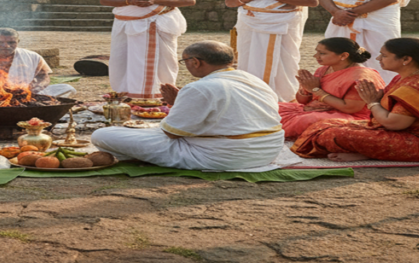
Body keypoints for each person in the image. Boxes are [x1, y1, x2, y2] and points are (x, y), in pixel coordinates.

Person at [91, 41, 284, 171]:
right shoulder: (254, 80)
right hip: (267, 151)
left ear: (195, 62)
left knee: (102, 135)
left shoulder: (200, 88)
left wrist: (176, 104)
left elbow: (171, 134)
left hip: (222, 156)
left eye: (185, 61)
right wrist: (178, 103)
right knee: (142, 134)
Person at [291, 38, 419, 162]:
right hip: (407, 130)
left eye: (385, 55)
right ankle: (368, 151)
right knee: (324, 125)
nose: (379, 58)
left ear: (406, 59)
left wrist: (372, 102)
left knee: (332, 135)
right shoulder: (408, 76)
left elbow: (394, 123)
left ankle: (369, 152)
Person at [100, 0, 197, 99]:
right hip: (127, 24)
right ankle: (127, 94)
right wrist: (129, 1)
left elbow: (190, 1)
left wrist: (156, 0)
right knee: (123, 59)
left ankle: (163, 95)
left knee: (165, 60)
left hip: (160, 23)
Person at [226, 0, 319, 101]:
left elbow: (312, 2)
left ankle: (283, 95)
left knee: (283, 59)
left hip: (281, 24)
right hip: (249, 23)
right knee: (247, 57)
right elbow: (230, 2)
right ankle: (251, 92)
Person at [279, 38, 385, 138]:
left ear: (343, 55)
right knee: (275, 108)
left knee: (306, 120)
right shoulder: (323, 70)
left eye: (322, 53)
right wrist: (305, 88)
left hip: (350, 116)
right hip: (314, 109)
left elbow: (351, 108)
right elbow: (302, 101)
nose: (315, 56)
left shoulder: (361, 77)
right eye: (317, 52)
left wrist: (316, 90)